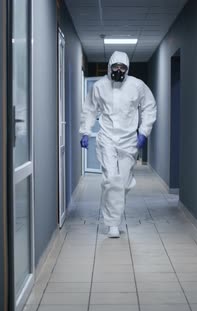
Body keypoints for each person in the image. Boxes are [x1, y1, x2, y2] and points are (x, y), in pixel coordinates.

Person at [80, 51, 157, 238]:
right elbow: (89, 109)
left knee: (121, 182)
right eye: (116, 67)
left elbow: (149, 106)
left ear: (127, 68)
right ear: (110, 67)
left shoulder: (137, 86)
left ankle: (114, 201)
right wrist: (85, 131)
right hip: (106, 137)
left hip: (129, 140)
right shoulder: (99, 86)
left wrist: (144, 132)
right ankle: (112, 224)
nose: (119, 70)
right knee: (112, 179)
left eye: (123, 67)